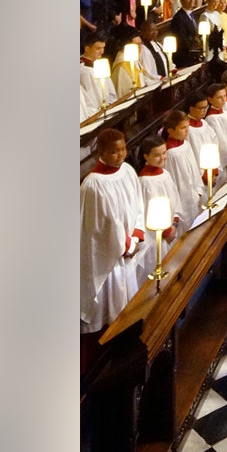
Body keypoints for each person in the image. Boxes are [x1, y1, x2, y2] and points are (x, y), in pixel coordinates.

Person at [81, 129, 146, 334]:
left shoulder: (127, 170)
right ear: (100, 152)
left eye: (123, 149)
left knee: (130, 299)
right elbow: (100, 227)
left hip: (129, 245)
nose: (120, 155)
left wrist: (136, 234)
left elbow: (138, 204)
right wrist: (127, 245)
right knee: (113, 304)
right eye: (114, 151)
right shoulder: (93, 185)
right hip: (110, 256)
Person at [158, 114, 206, 223]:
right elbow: (176, 182)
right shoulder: (171, 153)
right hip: (184, 202)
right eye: (183, 128)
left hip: (194, 196)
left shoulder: (186, 145)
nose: (187, 131)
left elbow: (194, 170)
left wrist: (198, 191)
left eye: (188, 127)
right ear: (170, 131)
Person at [136, 140, 183, 238]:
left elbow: (175, 199)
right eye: (157, 155)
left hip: (172, 228)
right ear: (146, 156)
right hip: (158, 235)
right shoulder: (145, 182)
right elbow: (150, 212)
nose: (163, 158)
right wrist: (166, 232)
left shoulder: (165, 173)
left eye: (164, 153)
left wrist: (175, 221)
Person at [79, 37, 115, 122]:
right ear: (87, 48)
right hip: (95, 114)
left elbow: (110, 89)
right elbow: (91, 96)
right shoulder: (83, 70)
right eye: (98, 48)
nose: (102, 52)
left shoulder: (100, 64)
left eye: (103, 48)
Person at [168, 0, 203, 69]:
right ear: (182, 1)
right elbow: (181, 39)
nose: (191, 0)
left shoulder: (192, 15)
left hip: (193, 56)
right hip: (184, 57)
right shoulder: (179, 18)